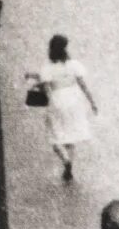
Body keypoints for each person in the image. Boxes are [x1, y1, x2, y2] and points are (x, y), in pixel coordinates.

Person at [24, 33, 97, 182]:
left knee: (56, 137)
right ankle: (70, 163)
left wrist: (35, 81)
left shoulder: (47, 67)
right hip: (74, 102)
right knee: (70, 137)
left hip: (58, 101)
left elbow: (47, 85)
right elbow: (83, 86)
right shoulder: (74, 65)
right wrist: (92, 102)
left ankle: (66, 161)